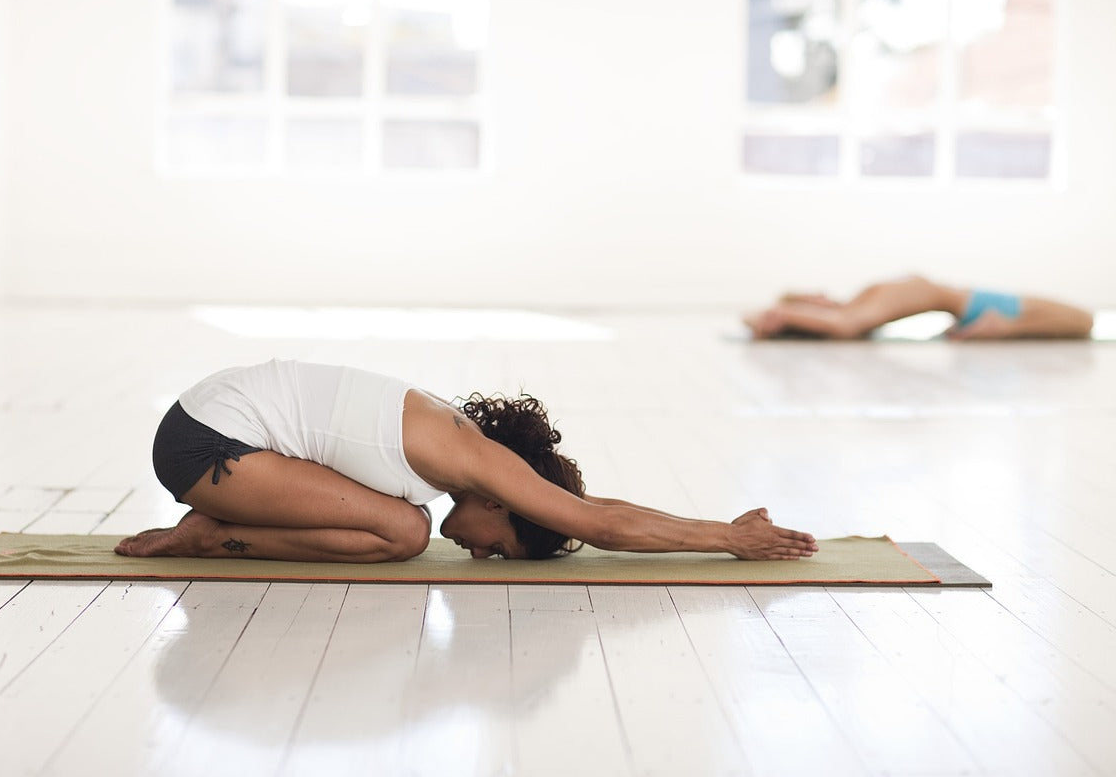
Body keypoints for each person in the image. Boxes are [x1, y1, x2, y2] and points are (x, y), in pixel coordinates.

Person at [114, 359, 818, 563]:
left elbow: (593, 512)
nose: (485, 556)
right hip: (206, 442)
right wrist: (727, 536)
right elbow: (597, 521)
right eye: (505, 547)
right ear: (504, 502)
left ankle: (213, 526)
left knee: (403, 521)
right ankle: (207, 533)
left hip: (213, 425)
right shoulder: (471, 458)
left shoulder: (455, 453)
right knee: (404, 532)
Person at [744, 275, 1094, 340]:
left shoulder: (852, 304)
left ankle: (999, 328)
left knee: (1081, 321)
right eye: (810, 297)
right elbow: (843, 327)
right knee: (1084, 321)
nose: (819, 293)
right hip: (971, 302)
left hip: (970, 300)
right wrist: (784, 314)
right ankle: (999, 328)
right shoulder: (848, 314)